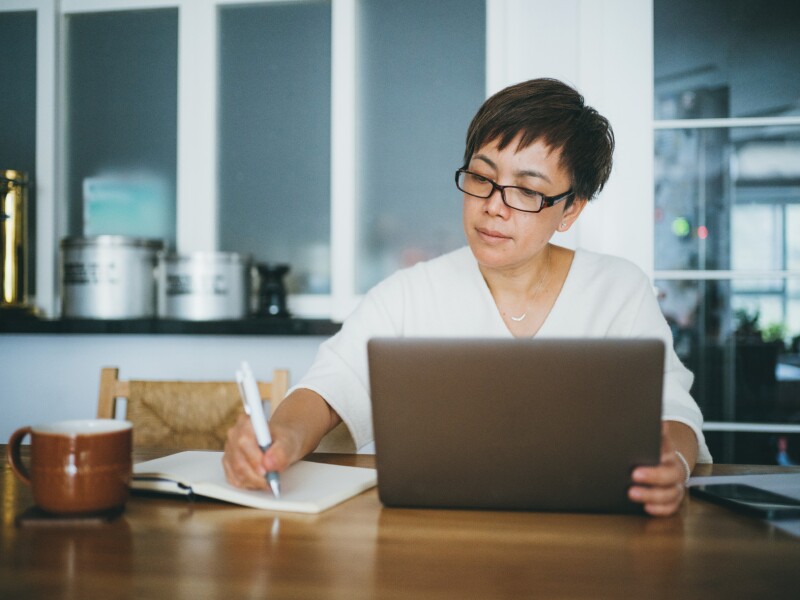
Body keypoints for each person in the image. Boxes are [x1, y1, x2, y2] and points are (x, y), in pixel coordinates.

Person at [223, 78, 712, 517]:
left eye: (526, 191)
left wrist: (672, 465)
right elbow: (330, 385)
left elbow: (674, 410)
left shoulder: (617, 289)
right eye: (482, 177)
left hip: (589, 539)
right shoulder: (409, 293)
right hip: (430, 538)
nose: (494, 207)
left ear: (569, 210)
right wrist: (280, 439)